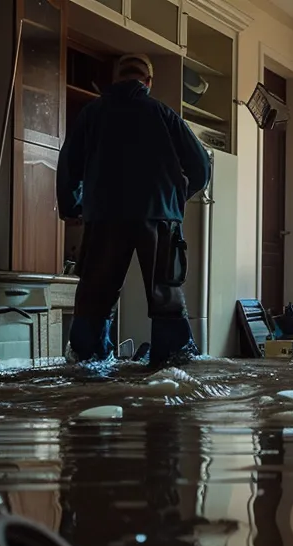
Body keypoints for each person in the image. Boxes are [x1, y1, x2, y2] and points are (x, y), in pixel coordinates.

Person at [57, 53, 211, 366]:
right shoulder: (162, 113)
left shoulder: (92, 113)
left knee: (96, 293)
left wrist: (71, 206)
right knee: (164, 291)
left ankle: (89, 356)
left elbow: (69, 165)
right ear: (148, 82)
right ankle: (172, 356)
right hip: (158, 214)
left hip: (105, 214)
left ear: (116, 78)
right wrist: (177, 197)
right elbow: (200, 165)